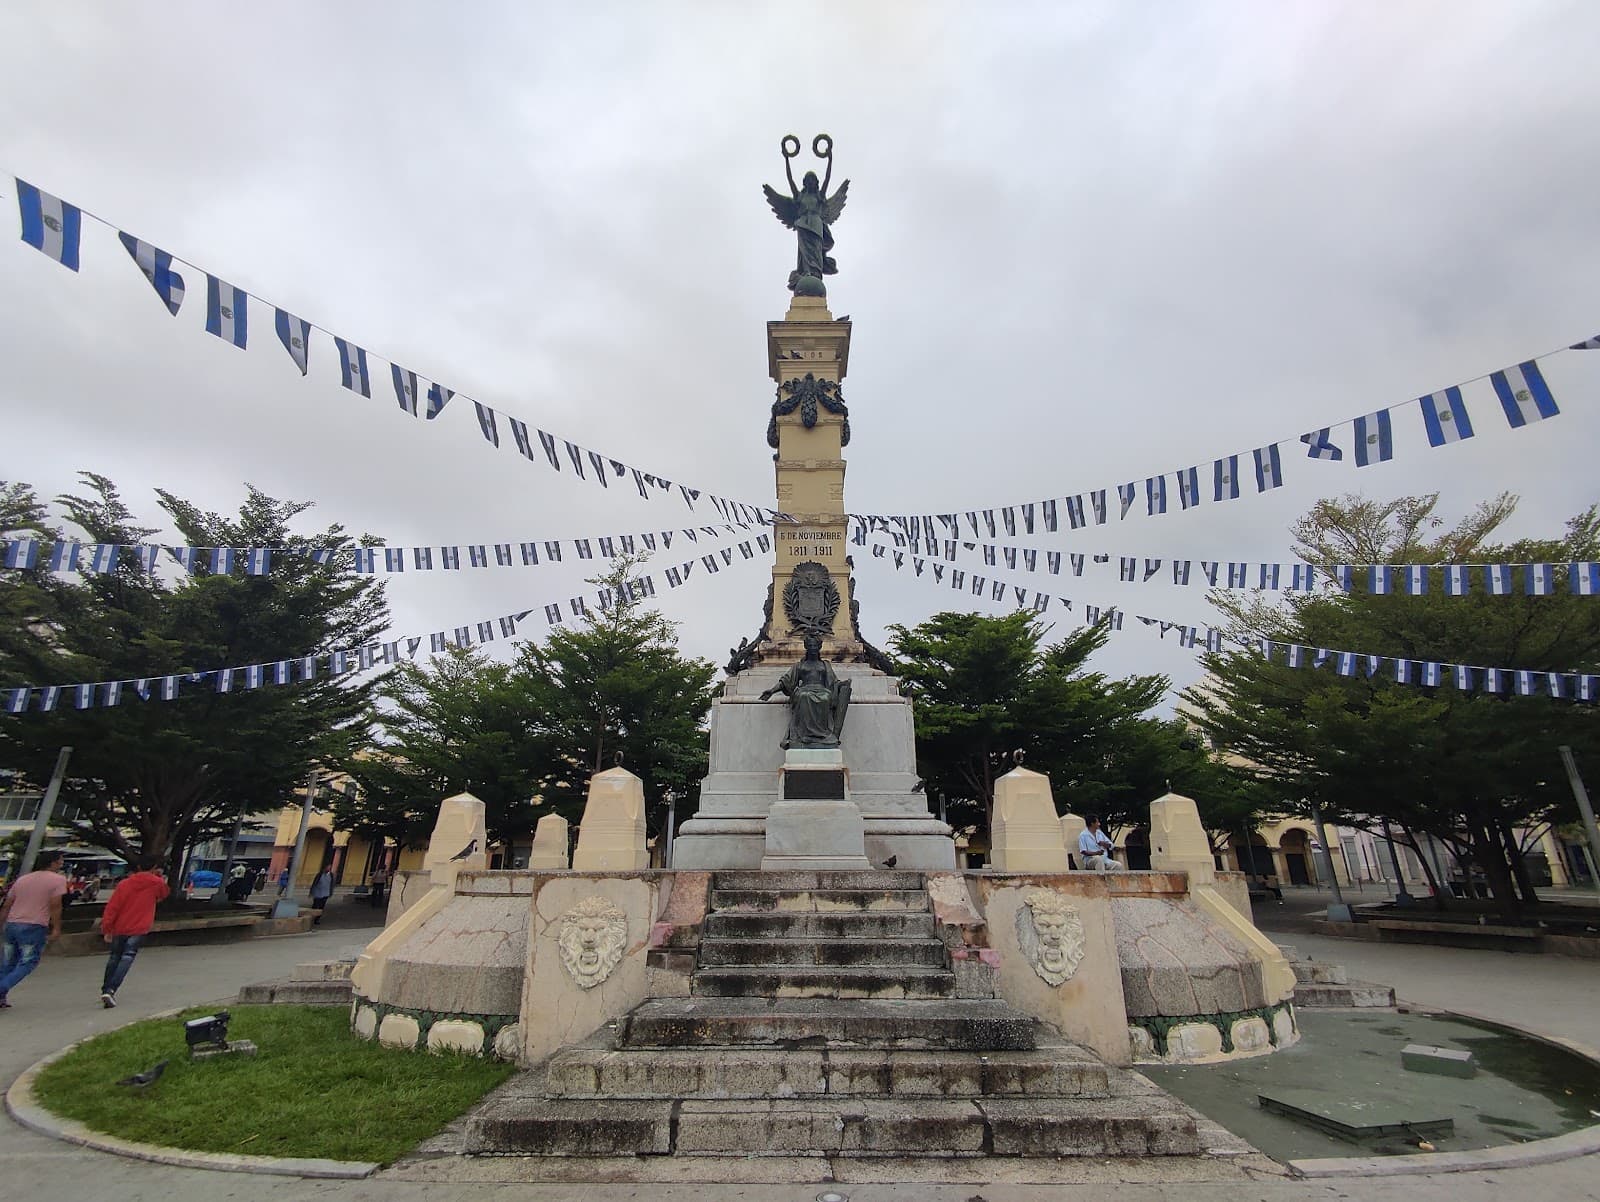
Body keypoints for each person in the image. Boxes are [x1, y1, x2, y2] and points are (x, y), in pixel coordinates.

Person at [97, 853, 170, 1008]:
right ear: (154, 867)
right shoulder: (156, 883)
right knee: (127, 957)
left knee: (114, 957)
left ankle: (106, 988)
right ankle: (111, 989)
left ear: (138, 867)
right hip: (139, 926)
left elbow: (113, 907)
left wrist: (107, 927)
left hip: (120, 926)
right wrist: (159, 877)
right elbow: (164, 894)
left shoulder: (125, 884)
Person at [0, 849, 69, 1008]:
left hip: (12, 924)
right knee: (28, 962)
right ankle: (1, 989)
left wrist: (2, 923)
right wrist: (56, 927)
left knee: (7, 963)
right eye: (60, 861)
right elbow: (55, 905)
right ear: (52, 863)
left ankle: (2, 997)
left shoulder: (23, 879)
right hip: (34, 925)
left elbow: (7, 904)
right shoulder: (57, 880)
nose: (61, 864)